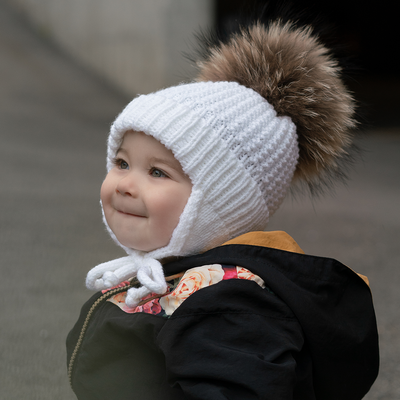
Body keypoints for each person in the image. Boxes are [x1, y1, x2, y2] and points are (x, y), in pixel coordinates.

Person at [66, 19, 379, 400]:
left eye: (157, 172)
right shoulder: (176, 275)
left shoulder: (226, 307)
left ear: (221, 203)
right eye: (122, 163)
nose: (126, 185)